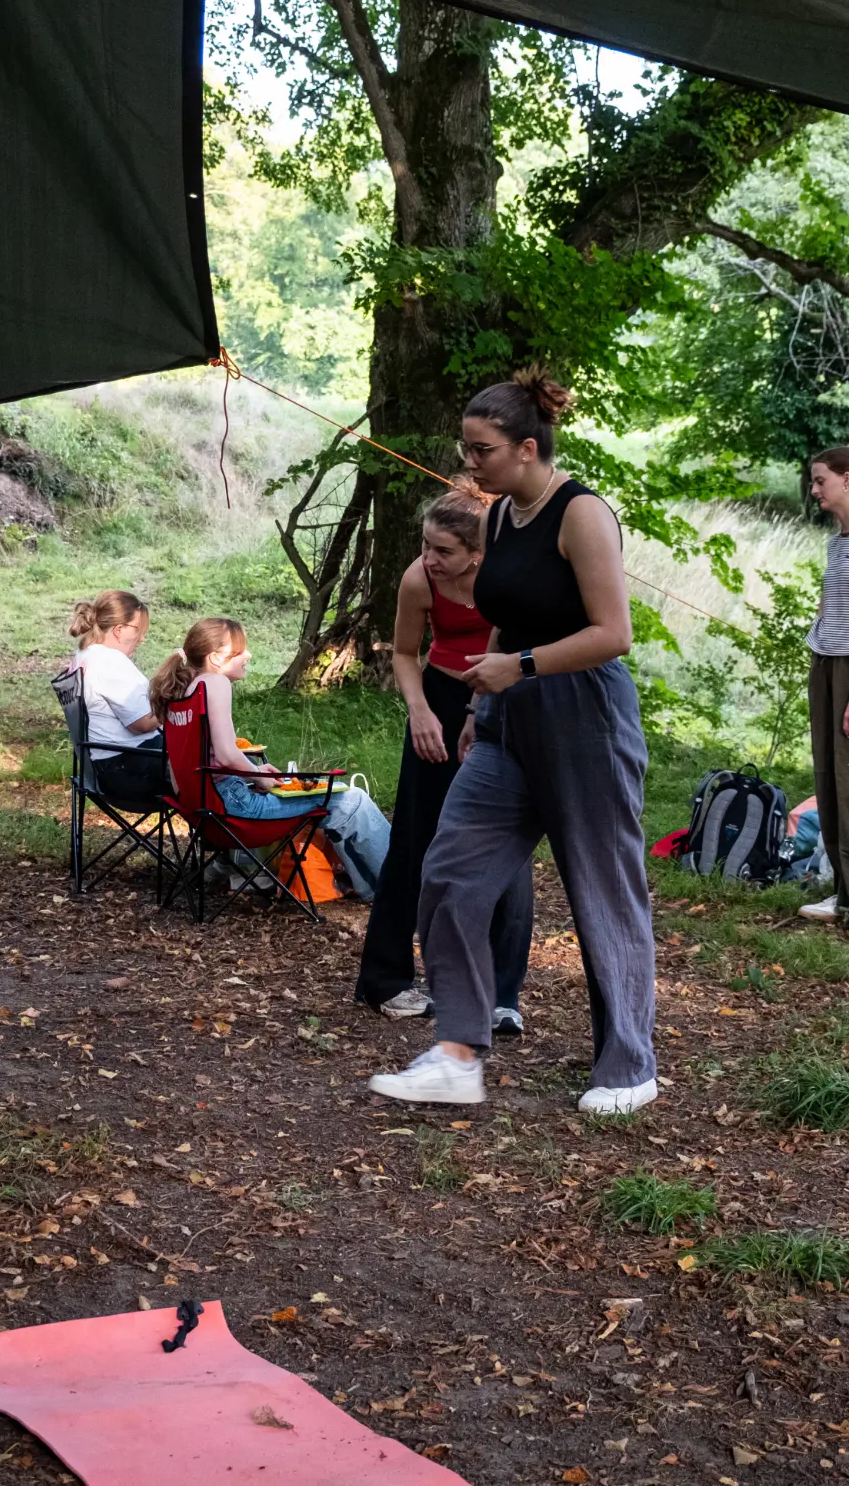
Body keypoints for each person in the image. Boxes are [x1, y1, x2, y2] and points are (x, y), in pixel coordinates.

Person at [368, 366, 658, 1114]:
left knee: (603, 891)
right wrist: (478, 707)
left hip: (583, 716)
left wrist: (518, 665)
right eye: (467, 449)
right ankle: (459, 1052)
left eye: (482, 450)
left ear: (527, 448)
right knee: (452, 871)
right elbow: (504, 612)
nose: (470, 463)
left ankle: (629, 1067)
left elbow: (613, 635)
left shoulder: (581, 514)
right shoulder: (498, 518)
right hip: (504, 721)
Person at [355, 480, 533, 1031]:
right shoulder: (419, 578)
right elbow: (406, 653)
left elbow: (517, 650)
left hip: (502, 703)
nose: (429, 558)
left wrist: (478, 715)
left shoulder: (507, 577)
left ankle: (502, 994)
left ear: (478, 553)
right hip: (437, 697)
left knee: (506, 846)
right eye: (425, 545)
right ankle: (386, 980)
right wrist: (420, 711)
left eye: (443, 551)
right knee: (415, 836)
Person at [150, 617, 391, 902]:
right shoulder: (213, 684)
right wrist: (259, 778)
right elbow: (227, 754)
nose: (248, 655)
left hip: (204, 810)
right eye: (240, 650)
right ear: (216, 657)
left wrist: (255, 772)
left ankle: (376, 890)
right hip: (234, 810)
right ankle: (404, 889)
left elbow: (186, 768)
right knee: (353, 800)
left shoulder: (182, 690)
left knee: (340, 805)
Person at [801, 447, 849, 922]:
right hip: (827, 662)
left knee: (848, 776)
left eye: (821, 481)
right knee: (828, 778)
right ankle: (842, 891)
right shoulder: (839, 541)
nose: (815, 490)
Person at [69, 590, 165, 808]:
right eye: (139, 630)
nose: (142, 638)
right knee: (209, 769)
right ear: (120, 630)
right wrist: (175, 705)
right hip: (127, 771)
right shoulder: (108, 661)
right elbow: (142, 723)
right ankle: (227, 836)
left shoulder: (84, 656)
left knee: (206, 759)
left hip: (100, 769)